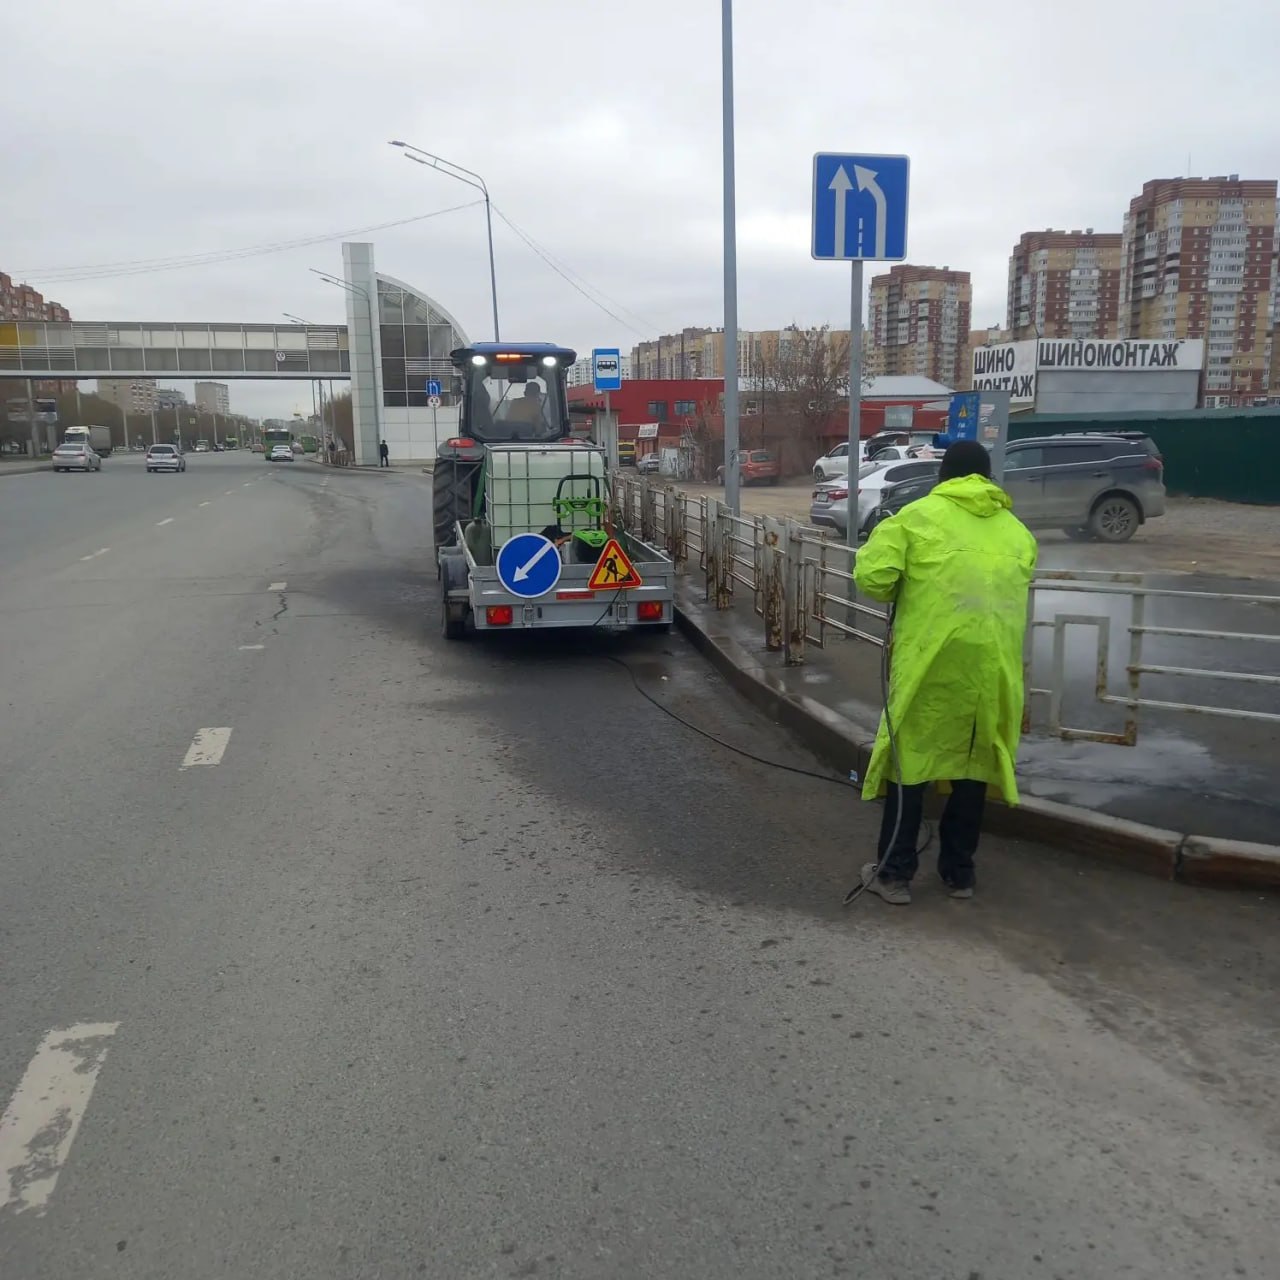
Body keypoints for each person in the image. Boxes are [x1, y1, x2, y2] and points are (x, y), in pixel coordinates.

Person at [852, 440, 1037, 905]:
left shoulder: (915, 519)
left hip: (933, 662)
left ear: (943, 478)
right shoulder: (1017, 532)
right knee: (973, 766)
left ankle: (894, 874)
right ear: (988, 478)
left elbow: (874, 579)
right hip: (992, 669)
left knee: (909, 762)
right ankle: (960, 873)